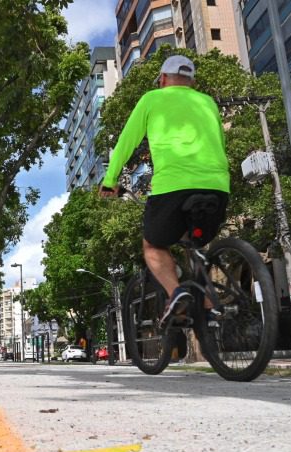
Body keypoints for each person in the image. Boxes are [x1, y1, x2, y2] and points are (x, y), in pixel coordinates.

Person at [99, 55, 229, 328]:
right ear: (191, 81)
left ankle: (176, 292)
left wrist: (110, 180)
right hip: (217, 187)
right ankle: (208, 307)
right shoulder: (208, 102)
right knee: (193, 246)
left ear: (163, 79)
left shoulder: (152, 99)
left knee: (154, 245)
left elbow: (126, 141)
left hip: (172, 186)